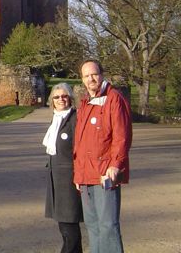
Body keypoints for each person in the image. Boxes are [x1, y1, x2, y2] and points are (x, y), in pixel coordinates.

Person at [73, 59, 133, 253]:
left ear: (101, 74)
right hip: (85, 176)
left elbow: (122, 135)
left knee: (108, 226)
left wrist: (115, 165)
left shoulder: (114, 98)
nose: (91, 78)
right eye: (86, 76)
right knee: (93, 226)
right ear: (82, 80)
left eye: (94, 74)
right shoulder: (85, 103)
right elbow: (80, 143)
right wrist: (78, 174)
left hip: (105, 174)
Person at [43, 83, 83, 253]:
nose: (61, 99)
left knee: (69, 228)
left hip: (69, 180)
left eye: (64, 96)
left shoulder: (75, 118)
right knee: (64, 227)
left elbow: (80, 150)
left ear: (70, 98)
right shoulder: (56, 118)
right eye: (57, 97)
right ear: (52, 100)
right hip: (56, 178)